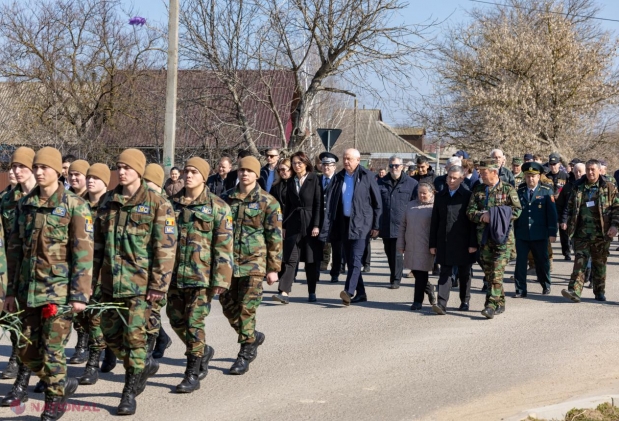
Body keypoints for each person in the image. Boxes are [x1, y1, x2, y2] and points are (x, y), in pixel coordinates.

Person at [4, 147, 93, 421]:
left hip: (59, 292)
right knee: (26, 349)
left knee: (53, 350)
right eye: (36, 167)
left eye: (44, 168)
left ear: (57, 171)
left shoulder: (75, 205)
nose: (39, 172)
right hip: (27, 291)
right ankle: (60, 383)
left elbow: (83, 252)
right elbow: (14, 251)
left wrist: (79, 294)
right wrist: (9, 292)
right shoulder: (25, 204)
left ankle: (53, 402)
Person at [93, 148, 177, 415]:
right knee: (109, 334)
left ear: (139, 171)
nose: (122, 172)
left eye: (127, 167)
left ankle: (128, 392)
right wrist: (88, 281)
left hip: (140, 286)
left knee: (135, 338)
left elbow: (165, 248)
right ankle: (143, 364)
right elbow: (96, 246)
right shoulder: (107, 200)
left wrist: (158, 285)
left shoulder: (157, 203)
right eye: (119, 167)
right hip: (109, 283)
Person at [169, 157, 233, 392]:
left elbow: (224, 246)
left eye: (194, 172)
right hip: (174, 274)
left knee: (194, 322)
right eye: (186, 171)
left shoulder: (218, 206)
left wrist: (222, 279)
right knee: (176, 319)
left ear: (204, 177)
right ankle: (203, 351)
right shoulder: (171, 204)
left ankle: (192, 372)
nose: (188, 175)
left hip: (201, 275)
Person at [220, 156, 282, 374]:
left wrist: (273, 268)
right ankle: (253, 336)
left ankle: (245, 352)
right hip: (228, 264)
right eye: (241, 170)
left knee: (247, 308)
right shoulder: (226, 199)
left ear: (256, 174)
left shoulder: (268, 202)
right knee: (228, 306)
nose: (244, 173)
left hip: (254, 263)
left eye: (249, 170)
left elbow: (275, 237)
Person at [319, 149, 381, 305]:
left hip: (362, 223)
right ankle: (361, 293)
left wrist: (376, 225)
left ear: (358, 160)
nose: (346, 161)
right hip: (344, 223)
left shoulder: (367, 176)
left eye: (349, 159)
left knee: (356, 258)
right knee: (349, 259)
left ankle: (348, 291)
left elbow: (377, 203)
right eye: (344, 158)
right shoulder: (339, 177)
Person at [0, 147, 37, 400]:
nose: (15, 170)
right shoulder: (7, 200)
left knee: (41, 334)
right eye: (13, 166)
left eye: (21, 166)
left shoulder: (49, 197)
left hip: (46, 276)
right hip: (15, 270)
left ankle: (50, 378)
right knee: (18, 323)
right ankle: (21, 379)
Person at [466, 159, 522, 319]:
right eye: (480, 172)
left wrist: (495, 216)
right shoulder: (478, 189)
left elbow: (517, 211)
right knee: (490, 274)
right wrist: (481, 216)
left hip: (503, 239)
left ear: (494, 172)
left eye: (484, 173)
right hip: (484, 239)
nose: (481, 176)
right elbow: (469, 211)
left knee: (497, 273)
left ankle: (490, 305)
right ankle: (500, 301)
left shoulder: (508, 189)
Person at [77, 163, 116, 386]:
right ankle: (109, 346)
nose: (90, 181)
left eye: (96, 178)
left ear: (105, 182)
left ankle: (92, 364)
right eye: (88, 177)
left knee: (94, 318)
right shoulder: (78, 204)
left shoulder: (111, 206)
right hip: (80, 270)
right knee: (81, 318)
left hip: (102, 271)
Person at [560, 159, 619, 303]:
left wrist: (615, 226)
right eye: (588, 169)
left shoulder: (609, 187)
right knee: (580, 261)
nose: (590, 172)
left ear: (599, 170)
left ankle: (599, 291)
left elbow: (617, 208)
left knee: (599, 264)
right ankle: (574, 291)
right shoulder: (578, 186)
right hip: (581, 233)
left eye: (593, 169)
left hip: (601, 234)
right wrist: (567, 222)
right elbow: (570, 206)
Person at [273, 152, 322, 303]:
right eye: (294, 163)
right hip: (293, 223)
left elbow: (318, 204)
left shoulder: (314, 179)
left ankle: (312, 291)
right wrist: (284, 226)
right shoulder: (290, 181)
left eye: (299, 163)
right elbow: (288, 206)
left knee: (310, 260)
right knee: (290, 258)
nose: (297, 166)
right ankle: (284, 292)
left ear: (306, 163)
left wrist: (316, 225)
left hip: (310, 223)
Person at [429, 166, 477, 314]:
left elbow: (472, 222)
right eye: (449, 177)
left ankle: (465, 300)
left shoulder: (468, 196)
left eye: (455, 178)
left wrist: (472, 243)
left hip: (463, 242)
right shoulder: (440, 196)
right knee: (445, 272)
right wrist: (433, 244)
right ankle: (442, 303)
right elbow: (435, 221)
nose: (451, 180)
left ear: (461, 179)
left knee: (464, 273)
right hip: (444, 241)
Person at [513, 162, 558, 298]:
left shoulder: (546, 191)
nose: (530, 179)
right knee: (520, 263)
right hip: (522, 234)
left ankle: (545, 284)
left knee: (542, 261)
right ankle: (520, 289)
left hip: (540, 234)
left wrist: (552, 232)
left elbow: (552, 214)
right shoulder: (519, 192)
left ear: (539, 177)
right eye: (528, 176)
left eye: (533, 176)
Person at [143, 162, 174, 359]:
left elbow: (166, 244)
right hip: (140, 267)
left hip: (159, 267)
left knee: (151, 309)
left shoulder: (163, 204)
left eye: (148, 181)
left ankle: (147, 354)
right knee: (145, 310)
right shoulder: (141, 202)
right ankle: (161, 338)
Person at [377, 155, 418, 289]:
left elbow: (415, 204)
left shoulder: (412, 184)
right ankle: (394, 275)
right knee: (389, 252)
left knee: (397, 253)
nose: (394, 168)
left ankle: (396, 279)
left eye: (396, 165)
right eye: (391, 166)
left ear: (402, 167)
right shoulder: (381, 182)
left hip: (402, 225)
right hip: (385, 224)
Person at [397, 183, 437, 311]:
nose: (422, 195)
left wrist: (435, 245)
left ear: (432, 193)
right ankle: (429, 289)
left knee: (421, 273)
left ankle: (417, 301)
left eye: (424, 193)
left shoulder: (435, 206)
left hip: (426, 245)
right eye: (420, 192)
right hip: (411, 244)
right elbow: (403, 225)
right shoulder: (411, 205)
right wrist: (401, 243)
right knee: (415, 270)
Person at [318, 152, 344, 282]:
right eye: (324, 165)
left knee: (337, 248)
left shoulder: (340, 180)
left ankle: (335, 273)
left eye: (329, 165)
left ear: (335, 167)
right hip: (320, 219)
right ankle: (316, 272)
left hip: (335, 220)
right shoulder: (317, 180)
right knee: (318, 247)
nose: (326, 167)